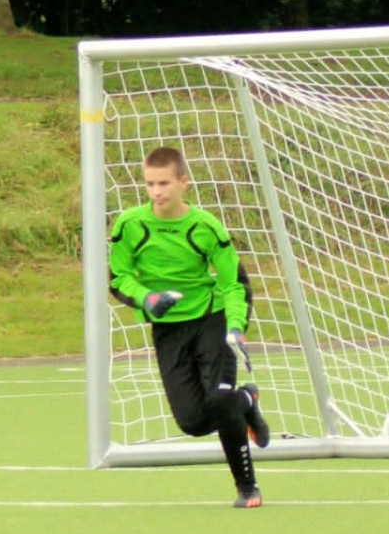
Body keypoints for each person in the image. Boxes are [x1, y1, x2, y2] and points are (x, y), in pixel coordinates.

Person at [109, 145, 272, 508]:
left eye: (164, 183)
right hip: (169, 331)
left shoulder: (206, 227)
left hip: (211, 320)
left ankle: (248, 487)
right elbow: (119, 278)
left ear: (183, 183)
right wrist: (148, 298)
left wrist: (235, 327)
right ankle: (247, 400)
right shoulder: (130, 225)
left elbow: (234, 283)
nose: (156, 192)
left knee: (219, 399)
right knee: (193, 423)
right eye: (150, 184)